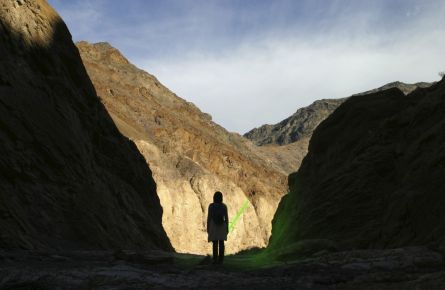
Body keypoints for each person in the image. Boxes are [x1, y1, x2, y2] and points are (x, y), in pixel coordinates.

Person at [207, 191, 229, 264]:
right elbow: (226, 218)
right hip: (222, 225)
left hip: (214, 225)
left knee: (215, 243)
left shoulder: (211, 206)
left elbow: (209, 217)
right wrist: (227, 228)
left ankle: (215, 259)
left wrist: (208, 227)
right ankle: (221, 260)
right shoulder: (224, 206)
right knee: (221, 243)